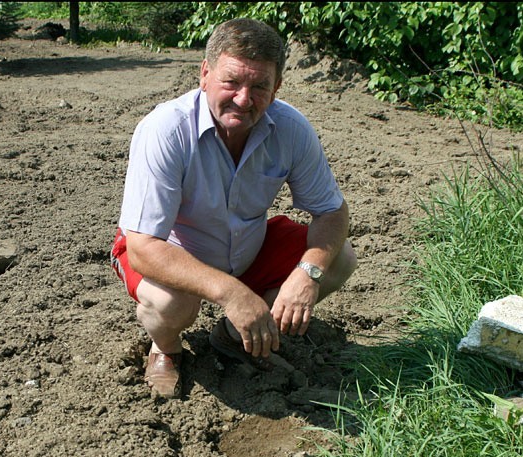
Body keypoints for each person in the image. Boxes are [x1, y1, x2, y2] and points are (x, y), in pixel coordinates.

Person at [111, 18, 357, 399]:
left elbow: (332, 212)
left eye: (259, 86)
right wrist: (233, 294)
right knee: (170, 303)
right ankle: (167, 346)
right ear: (205, 74)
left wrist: (306, 274)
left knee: (337, 258)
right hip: (170, 252)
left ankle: (232, 335)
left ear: (276, 88)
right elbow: (144, 246)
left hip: (247, 247)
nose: (244, 98)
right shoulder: (166, 129)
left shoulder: (291, 129)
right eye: (231, 82)